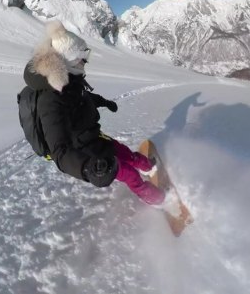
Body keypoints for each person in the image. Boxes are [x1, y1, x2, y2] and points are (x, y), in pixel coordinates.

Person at [22, 20, 165, 205]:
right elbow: (60, 151)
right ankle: (158, 199)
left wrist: (103, 102)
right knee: (129, 174)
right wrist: (88, 168)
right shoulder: (50, 100)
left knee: (125, 152)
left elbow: (79, 99)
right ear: (70, 59)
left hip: (94, 137)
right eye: (83, 57)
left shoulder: (68, 79)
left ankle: (149, 167)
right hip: (86, 152)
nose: (85, 61)